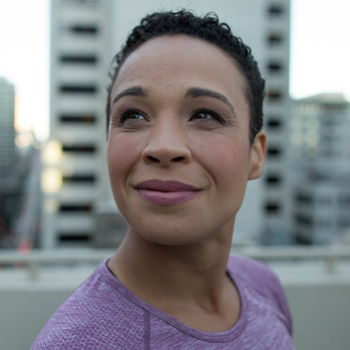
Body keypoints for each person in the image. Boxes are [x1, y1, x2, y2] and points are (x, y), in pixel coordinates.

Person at [31, 10, 295, 349]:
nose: (163, 147)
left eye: (204, 115)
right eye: (133, 115)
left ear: (256, 154)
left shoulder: (263, 286)